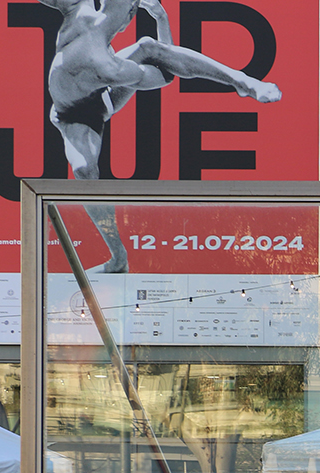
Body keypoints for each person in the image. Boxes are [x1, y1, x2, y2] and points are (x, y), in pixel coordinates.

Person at [42, 0, 282, 273]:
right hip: (69, 115)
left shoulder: (113, 68)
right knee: (84, 170)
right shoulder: (79, 9)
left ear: (129, 17)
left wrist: (161, 17)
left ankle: (241, 81)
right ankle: (119, 257)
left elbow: (167, 72)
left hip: (98, 105)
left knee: (149, 47)